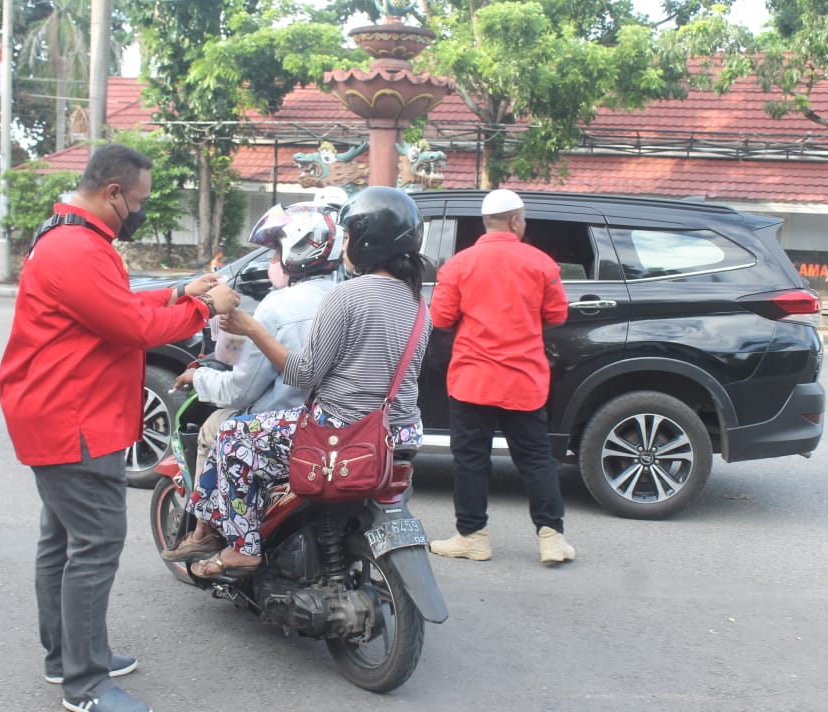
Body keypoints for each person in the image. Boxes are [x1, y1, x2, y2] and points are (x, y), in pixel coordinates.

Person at [0, 143, 241, 712]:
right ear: (113, 193)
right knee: (95, 544)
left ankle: (67, 658)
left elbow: (112, 303)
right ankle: (85, 685)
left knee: (63, 541)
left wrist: (178, 291)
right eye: (139, 199)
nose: (141, 209)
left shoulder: (72, 238)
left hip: (60, 410)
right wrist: (206, 308)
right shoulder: (76, 248)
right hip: (73, 418)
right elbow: (132, 326)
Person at [175, 186, 431, 580]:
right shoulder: (418, 303)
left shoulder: (346, 295)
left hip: (340, 431)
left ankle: (242, 547)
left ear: (367, 241)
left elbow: (304, 373)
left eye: (348, 236)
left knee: (232, 436)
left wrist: (253, 329)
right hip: (402, 433)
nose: (344, 245)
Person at [161, 201, 343, 561]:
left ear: (296, 251)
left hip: (284, 424)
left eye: (276, 252)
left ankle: (206, 531)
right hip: (344, 425)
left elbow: (240, 390)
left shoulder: (278, 306)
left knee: (214, 429)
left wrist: (200, 377)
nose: (272, 261)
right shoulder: (348, 296)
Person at [428, 188, 576, 566]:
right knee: (537, 459)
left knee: (470, 460)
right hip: (524, 380)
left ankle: (473, 537)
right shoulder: (541, 263)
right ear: (514, 220)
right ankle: (551, 538)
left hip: (473, 379)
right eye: (523, 218)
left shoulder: (458, 265)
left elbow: (441, 318)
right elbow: (557, 315)